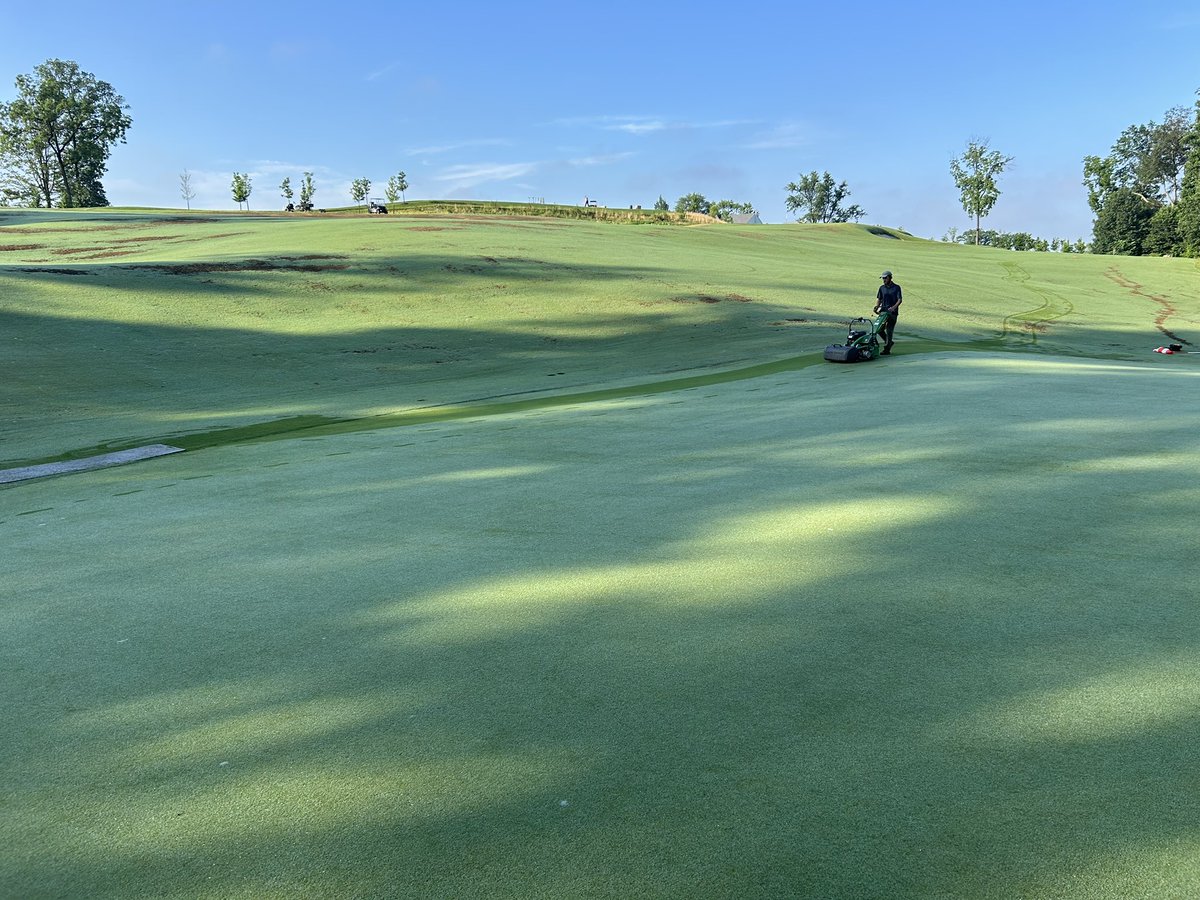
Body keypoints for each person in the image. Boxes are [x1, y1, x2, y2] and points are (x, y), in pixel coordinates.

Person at [873, 270, 902, 354]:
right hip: (883, 312)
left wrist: (893, 307)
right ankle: (889, 342)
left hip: (892, 313)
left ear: (890, 277)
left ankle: (887, 349)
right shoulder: (882, 288)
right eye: (883, 278)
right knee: (879, 329)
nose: (884, 280)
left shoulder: (896, 287)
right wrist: (876, 307)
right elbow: (879, 299)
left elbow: (899, 300)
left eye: (885, 278)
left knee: (889, 330)